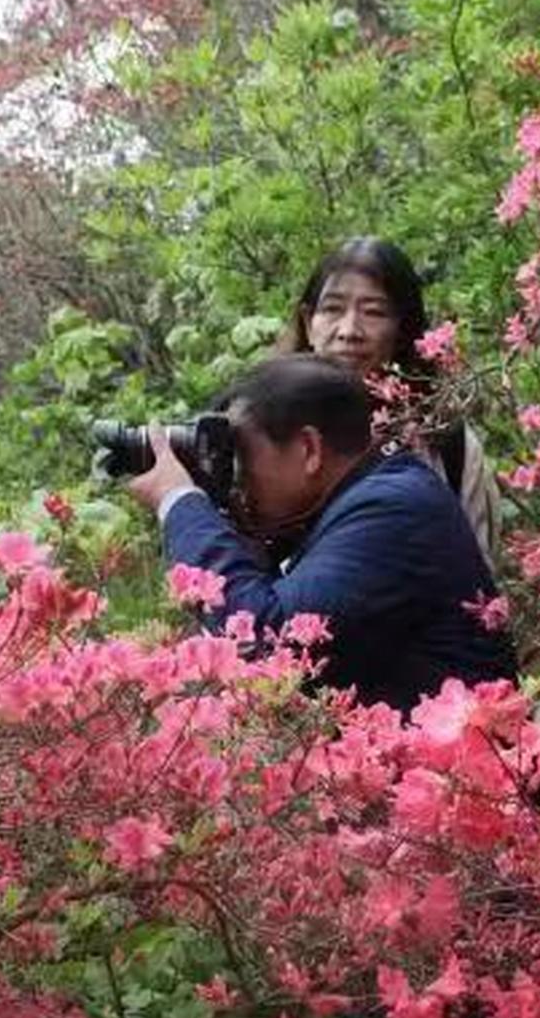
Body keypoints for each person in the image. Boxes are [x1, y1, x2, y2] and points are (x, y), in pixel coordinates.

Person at [126, 354, 516, 711]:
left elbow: (266, 639)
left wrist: (178, 501)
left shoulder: (392, 509)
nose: (238, 478)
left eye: (243, 455)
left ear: (309, 448)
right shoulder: (378, 490)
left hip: (457, 778)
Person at [279, 237, 501, 561]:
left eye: (373, 312)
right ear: (308, 323)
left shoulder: (444, 442)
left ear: (402, 331)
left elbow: (479, 574)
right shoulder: (269, 432)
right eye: (332, 309)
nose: (349, 330)